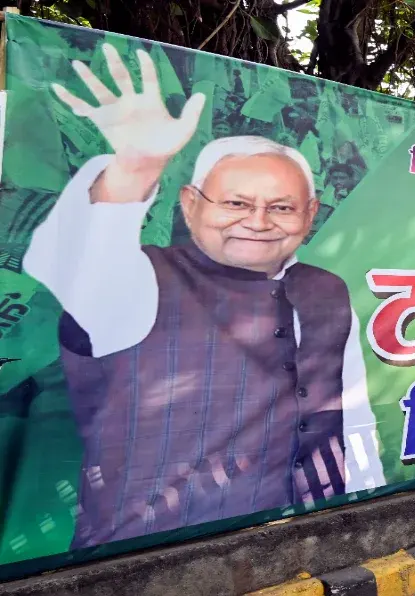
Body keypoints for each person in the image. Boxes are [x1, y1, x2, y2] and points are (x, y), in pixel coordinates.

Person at [23, 44, 385, 548]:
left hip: (308, 535)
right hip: (151, 557)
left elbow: (352, 413)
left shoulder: (326, 288)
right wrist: (133, 171)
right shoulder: (140, 279)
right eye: (236, 202)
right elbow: (72, 266)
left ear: (309, 214)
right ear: (190, 206)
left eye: (281, 207)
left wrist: (364, 511)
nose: (257, 222)